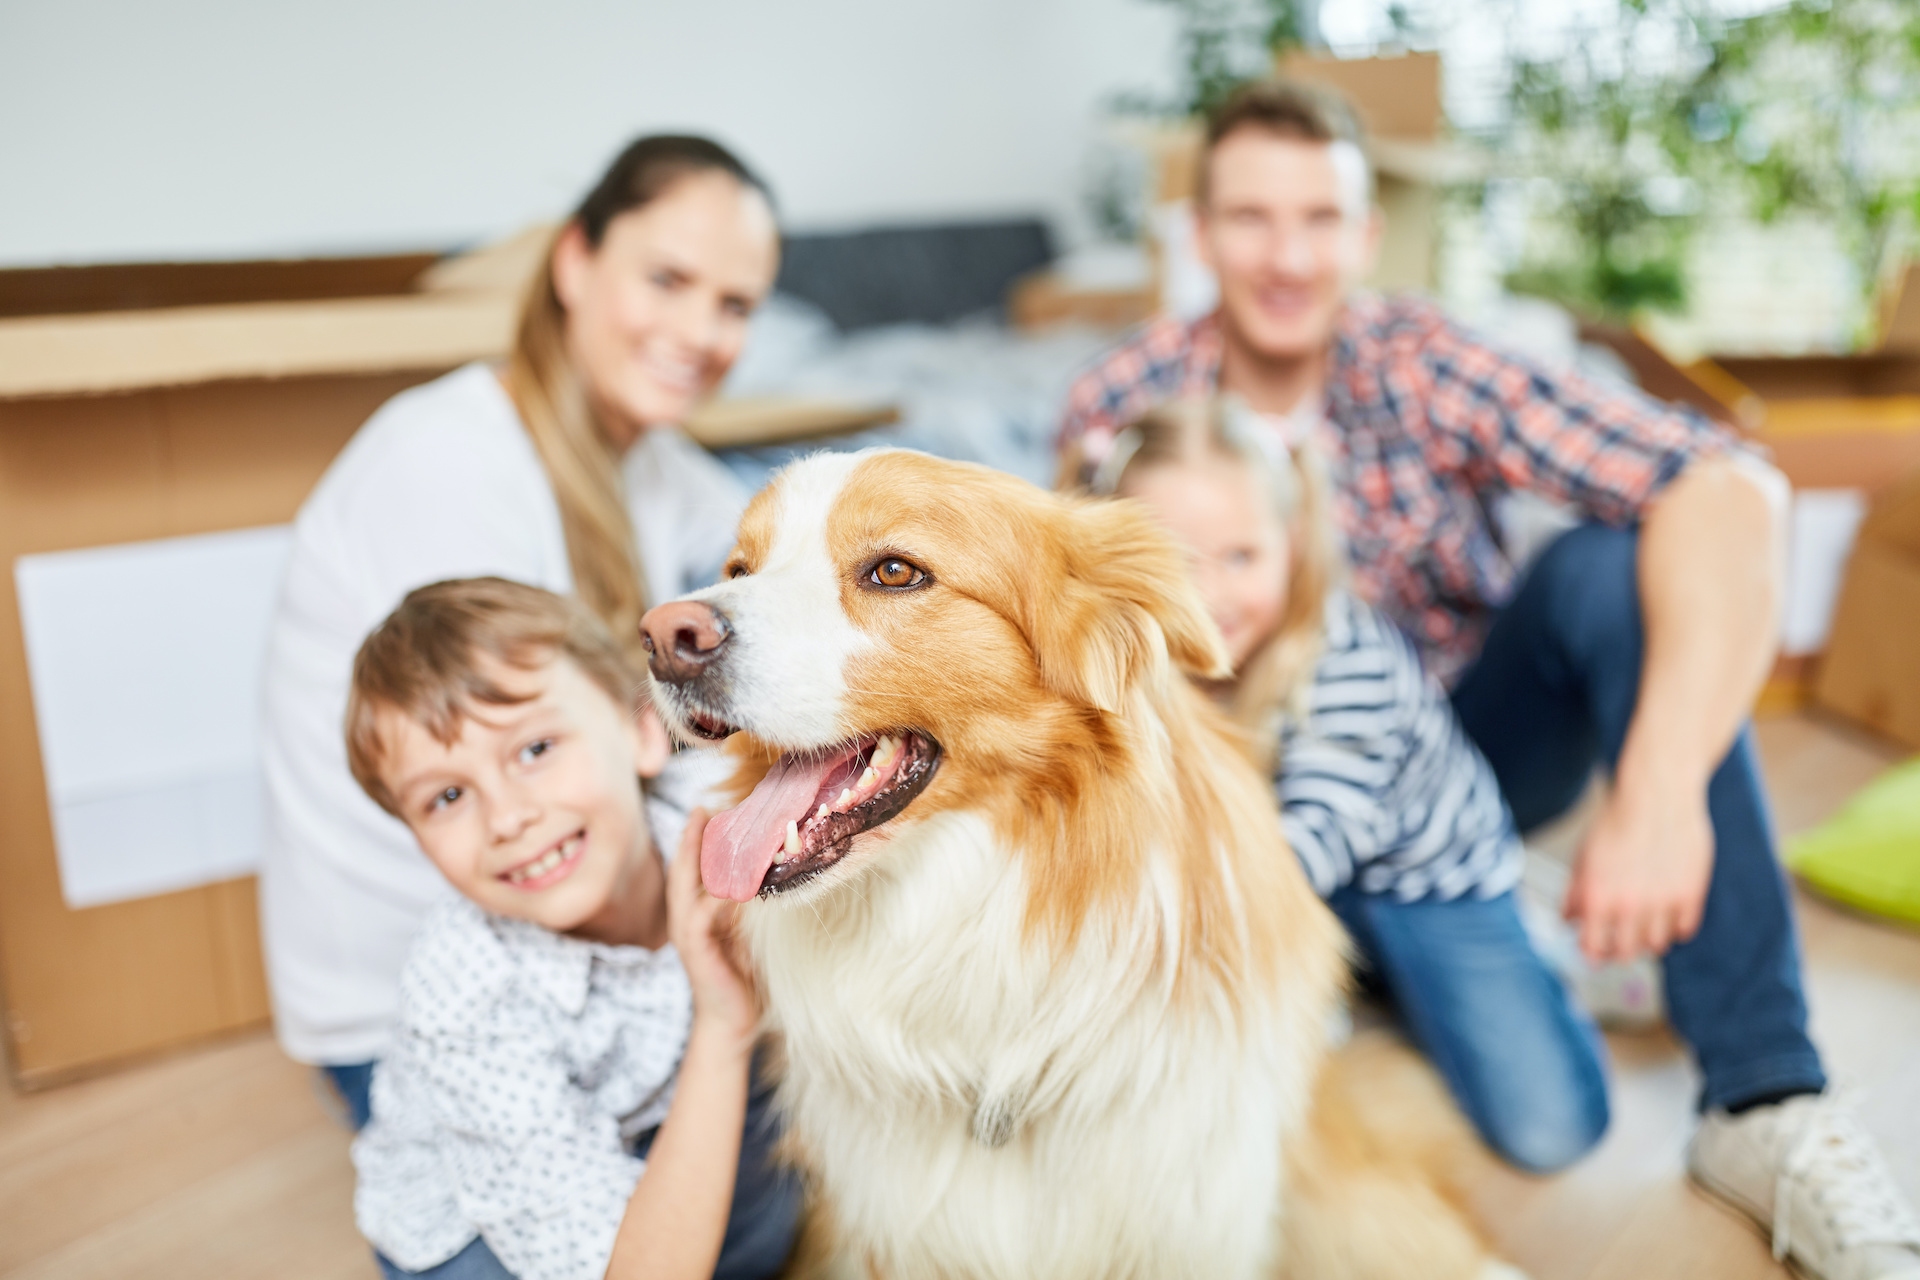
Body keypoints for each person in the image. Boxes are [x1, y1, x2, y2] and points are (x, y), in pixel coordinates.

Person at [1058, 80, 1920, 1280]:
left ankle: (1766, 1092)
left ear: (1366, 235)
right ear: (1200, 235)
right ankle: (1464, 945)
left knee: (1614, 567)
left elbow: (1729, 483)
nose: (1288, 254)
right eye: (1251, 218)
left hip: (1447, 765)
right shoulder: (1117, 412)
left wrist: (1660, 796)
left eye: (1321, 218)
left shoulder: (1424, 364)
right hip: (1225, 799)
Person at [260, 135, 778, 1128]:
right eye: (667, 278)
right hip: (420, 1003)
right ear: (574, 261)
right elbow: (531, 776)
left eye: (735, 304)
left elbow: (780, 546)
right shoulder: (449, 465)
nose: (699, 330)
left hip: (576, 931)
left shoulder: (646, 460)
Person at [1094, 396, 1609, 1174]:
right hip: (1274, 869)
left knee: (1550, 1130)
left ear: (1292, 547)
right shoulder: (1123, 651)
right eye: (1176, 563)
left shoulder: (1346, 662)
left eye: (1242, 557)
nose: (1211, 599)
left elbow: (1306, 851)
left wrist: (1160, 945)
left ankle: (1537, 955)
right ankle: (1348, 981)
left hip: (1420, 879)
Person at [343, 577, 798, 1280]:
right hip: (479, 1220)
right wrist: (722, 1024)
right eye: (448, 796)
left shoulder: (720, 816)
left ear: (643, 732)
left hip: (658, 1111)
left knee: (769, 1228)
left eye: (535, 750)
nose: (507, 818)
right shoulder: (463, 992)